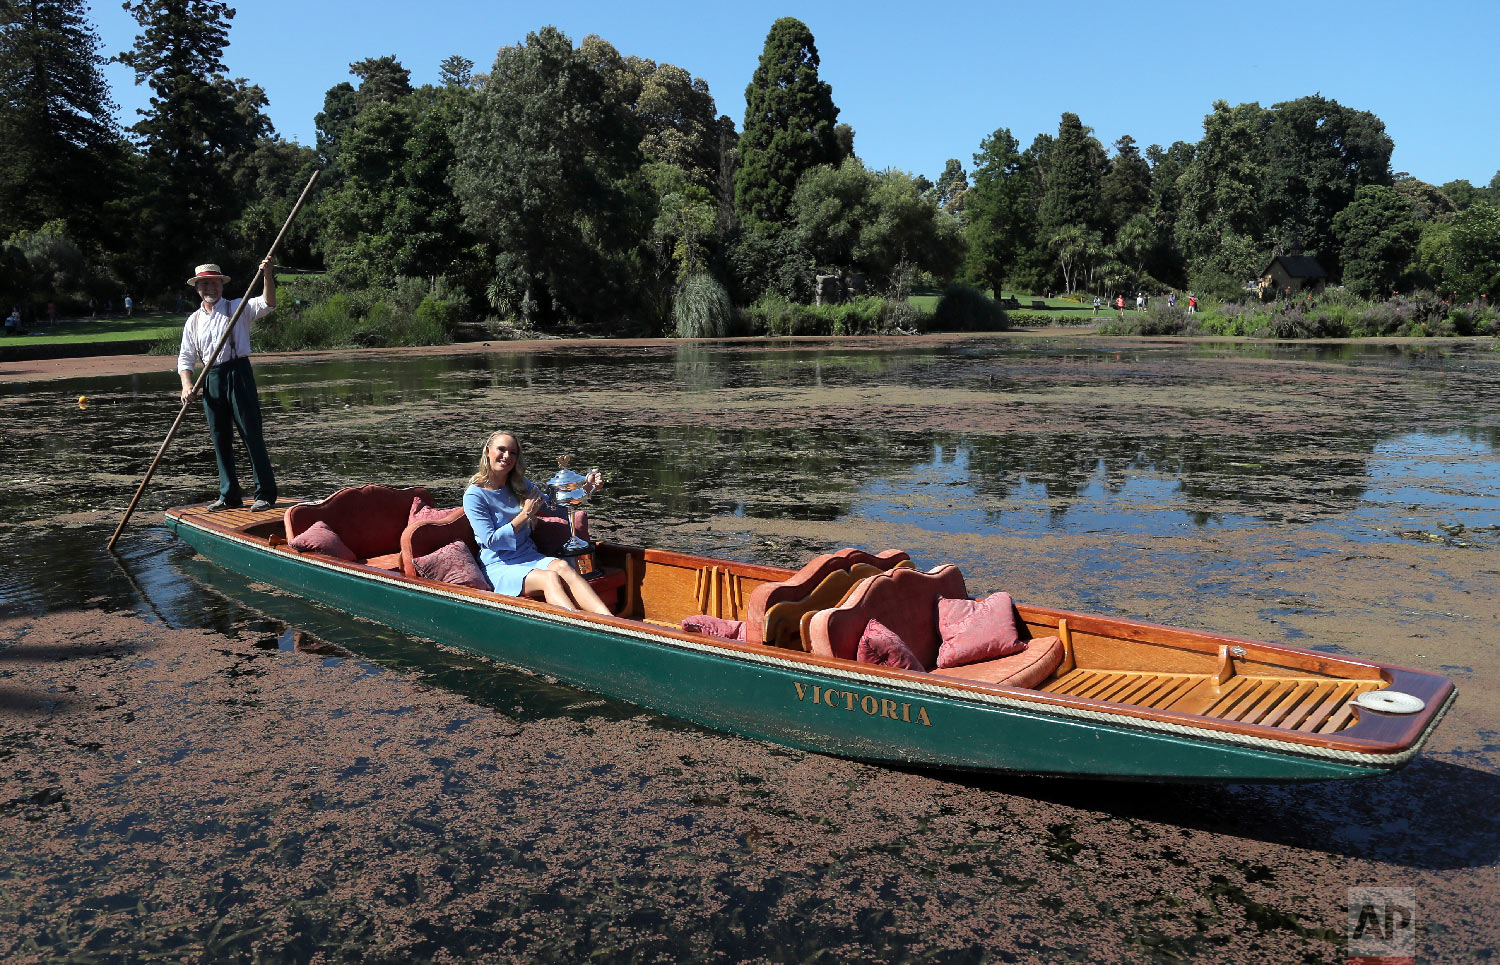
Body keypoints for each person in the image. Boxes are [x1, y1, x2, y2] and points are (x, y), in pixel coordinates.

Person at [463, 430, 611, 614]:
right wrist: (524, 515)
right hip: (499, 566)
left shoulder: (520, 484)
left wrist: (587, 489)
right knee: (549, 578)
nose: (506, 456)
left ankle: (613, 622)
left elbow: (554, 507)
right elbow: (491, 541)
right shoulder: (474, 495)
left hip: (529, 557)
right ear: (487, 451)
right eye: (501, 449)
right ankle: (579, 631)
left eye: (513, 452)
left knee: (563, 566)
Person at [177, 258, 278, 512]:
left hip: (238, 373)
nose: (210, 288)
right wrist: (187, 385)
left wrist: (267, 274)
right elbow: (186, 357)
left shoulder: (238, 307)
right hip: (210, 379)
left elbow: (268, 303)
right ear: (197, 288)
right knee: (219, 438)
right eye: (204, 284)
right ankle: (229, 495)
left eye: (214, 283)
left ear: (221, 285)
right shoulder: (193, 322)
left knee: (251, 434)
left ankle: (265, 493)